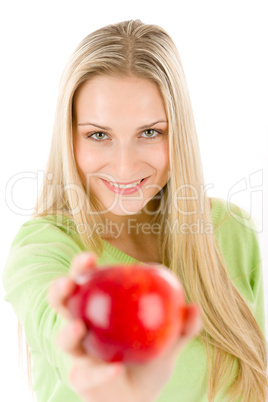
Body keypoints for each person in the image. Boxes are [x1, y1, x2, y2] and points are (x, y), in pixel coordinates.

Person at [2, 19, 267, 402]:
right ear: (69, 137)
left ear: (179, 133)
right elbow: (53, 324)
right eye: (98, 135)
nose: (125, 168)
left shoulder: (231, 231)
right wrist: (93, 362)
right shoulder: (43, 246)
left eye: (149, 132)